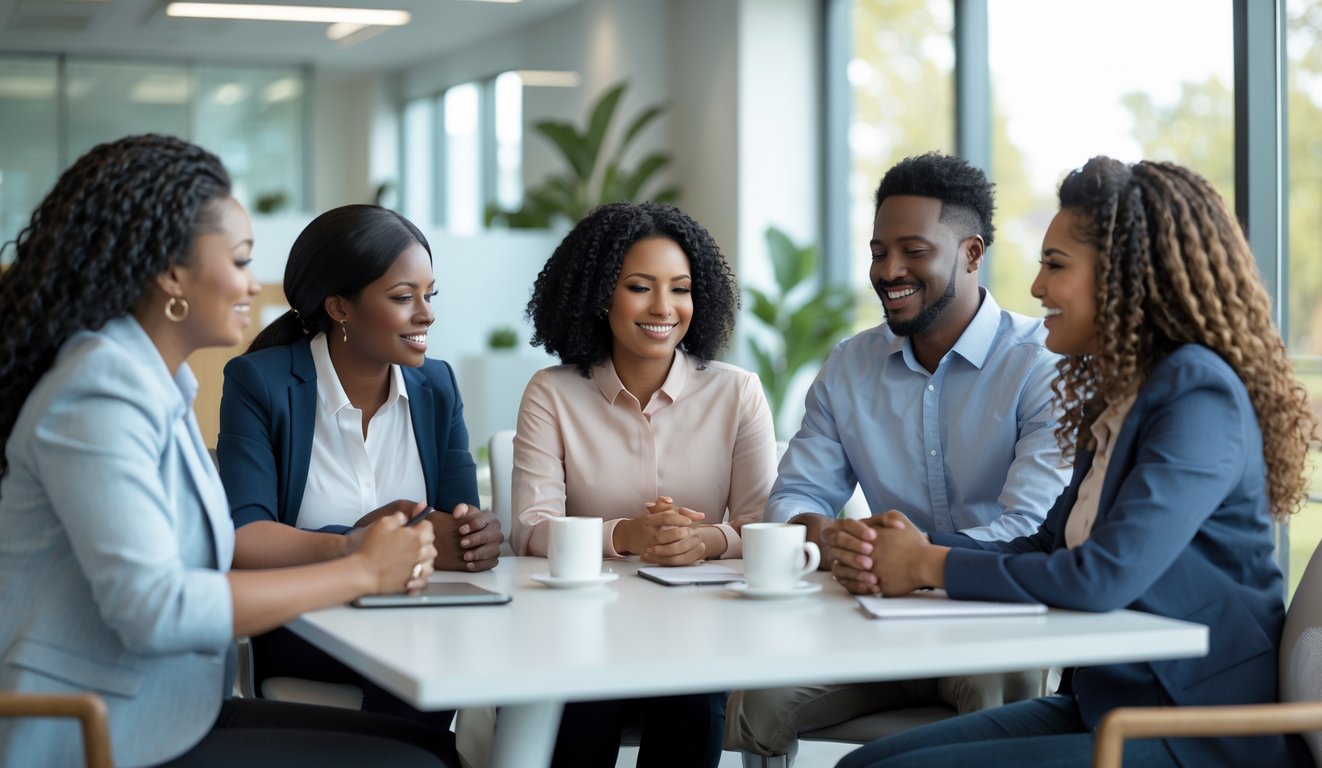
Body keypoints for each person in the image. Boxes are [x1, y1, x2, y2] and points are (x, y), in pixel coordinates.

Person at [832, 157, 1319, 768]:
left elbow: (1100, 577)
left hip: (1198, 728)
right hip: (1111, 704)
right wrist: (909, 549)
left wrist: (929, 563)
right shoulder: (1121, 394)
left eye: (1055, 266)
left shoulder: (1198, 393)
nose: (1036, 288)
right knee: (860, 766)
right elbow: (1046, 547)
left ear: (1125, 277)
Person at [0, 134, 455, 768]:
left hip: (169, 710)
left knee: (431, 745)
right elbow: (155, 609)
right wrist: (357, 571)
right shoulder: (100, 392)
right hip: (97, 731)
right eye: (240, 261)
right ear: (170, 273)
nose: (252, 285)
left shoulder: (156, 382)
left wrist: (355, 546)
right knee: (418, 762)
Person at [726, 152, 1070, 760]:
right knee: (759, 697)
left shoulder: (1040, 367)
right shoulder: (848, 367)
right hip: (874, 623)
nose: (890, 270)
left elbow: (1031, 531)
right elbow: (794, 497)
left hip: (991, 622)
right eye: (878, 252)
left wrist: (916, 561)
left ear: (970, 253)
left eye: (913, 251)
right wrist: (825, 536)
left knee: (1005, 692)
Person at [216, 204, 501, 733]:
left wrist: (475, 535)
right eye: (402, 298)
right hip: (307, 620)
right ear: (340, 308)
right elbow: (243, 537)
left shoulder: (437, 386)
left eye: (429, 295)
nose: (427, 314)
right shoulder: (260, 382)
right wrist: (358, 540)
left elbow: (457, 524)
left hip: (422, 617)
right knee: (420, 671)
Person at [513, 202, 777, 767]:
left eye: (680, 288)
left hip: (697, 631)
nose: (664, 307)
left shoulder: (738, 392)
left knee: (693, 695)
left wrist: (703, 541)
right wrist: (627, 535)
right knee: (581, 703)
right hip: (581, 634)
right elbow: (530, 531)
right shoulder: (551, 393)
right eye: (639, 287)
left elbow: (764, 526)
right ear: (600, 294)